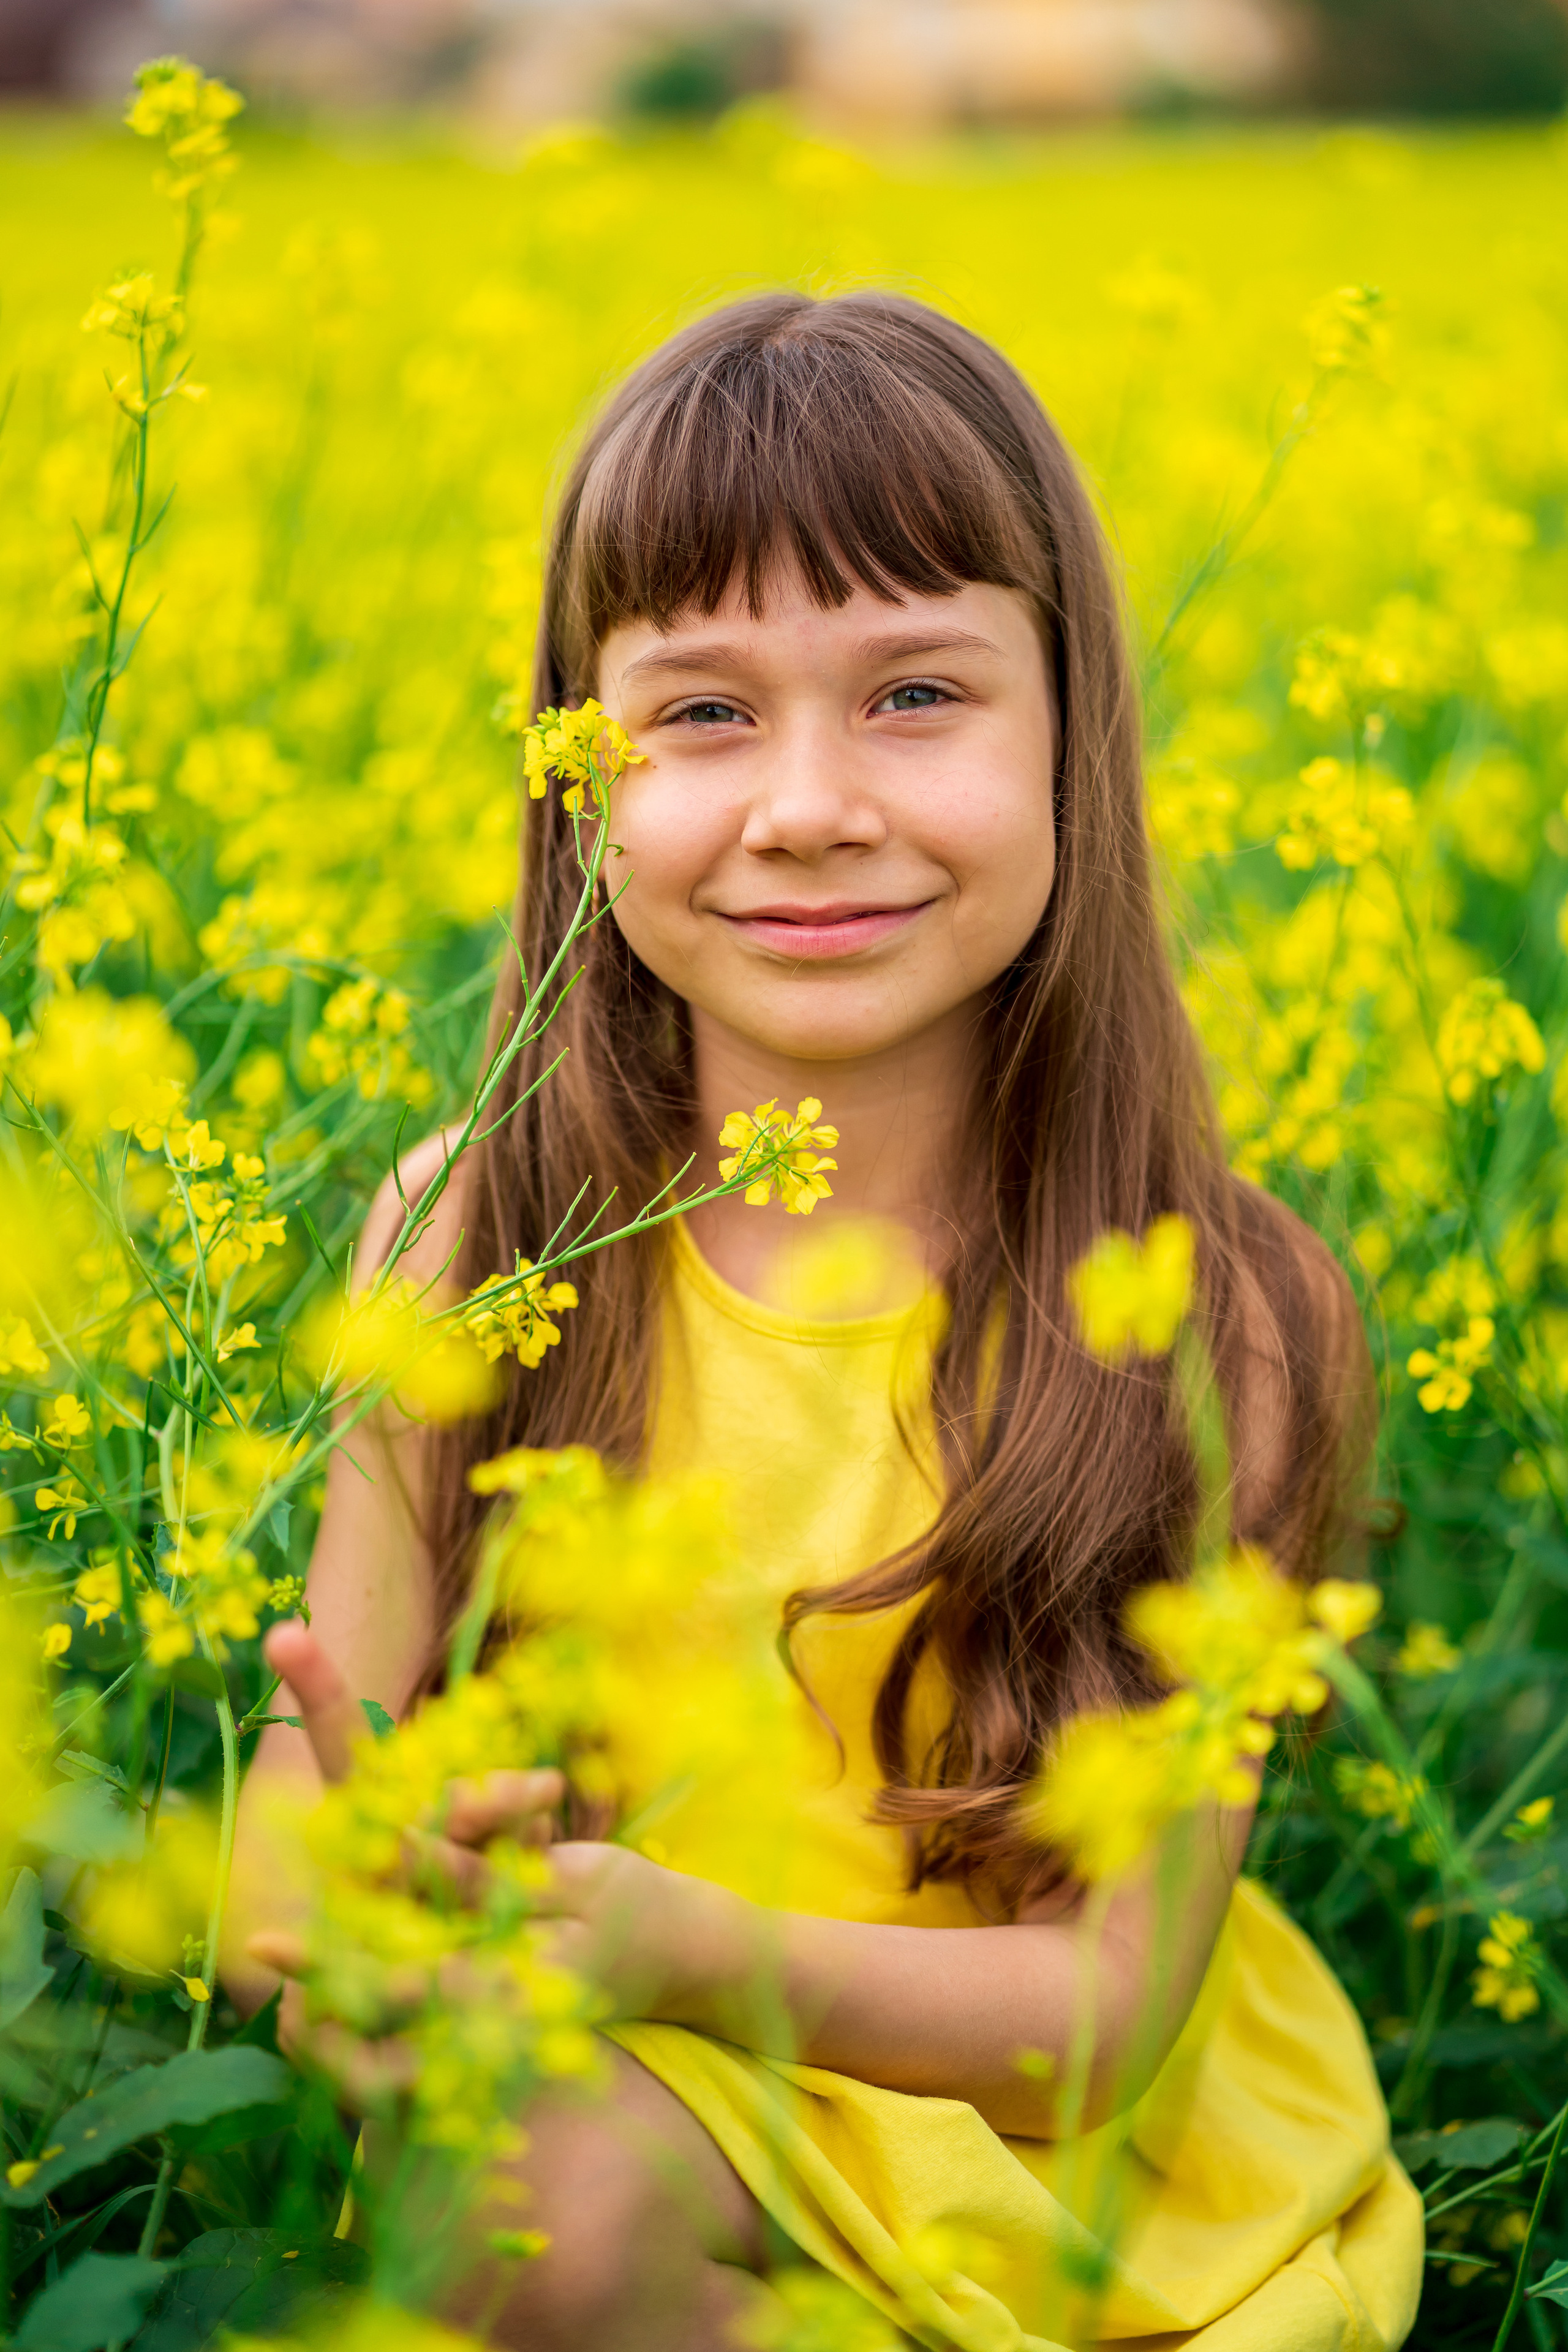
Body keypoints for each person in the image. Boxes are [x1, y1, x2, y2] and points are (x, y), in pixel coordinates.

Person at [233, 292, 1423, 2351]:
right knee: (526, 2177)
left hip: (1055, 2179)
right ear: (575, 777)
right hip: (628, 2111)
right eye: (702, 714)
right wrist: (359, 1907)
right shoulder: (473, 1231)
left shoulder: (1226, 1317)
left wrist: (681, 1948)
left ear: (1075, 736)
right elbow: (305, 1785)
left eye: (914, 696)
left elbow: (1106, 2016)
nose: (805, 805)